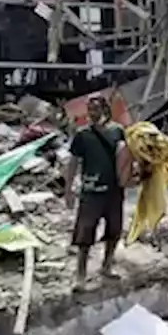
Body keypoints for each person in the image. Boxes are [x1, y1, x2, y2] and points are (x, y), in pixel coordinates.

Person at [65, 95, 126, 283]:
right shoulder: (83, 135)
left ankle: (107, 266)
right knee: (85, 235)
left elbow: (125, 157)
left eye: (95, 109)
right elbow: (73, 162)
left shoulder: (117, 131)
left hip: (114, 191)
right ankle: (80, 275)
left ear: (105, 110)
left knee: (114, 231)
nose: (91, 113)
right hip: (91, 192)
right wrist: (68, 189)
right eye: (89, 109)